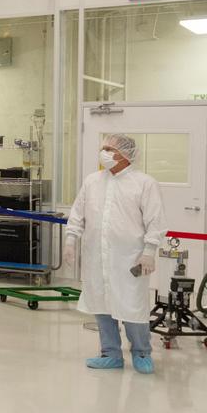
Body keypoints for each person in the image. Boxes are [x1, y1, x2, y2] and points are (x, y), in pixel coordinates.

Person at [64, 134, 165, 374]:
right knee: (102, 304)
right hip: (96, 256)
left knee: (132, 306)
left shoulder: (144, 183)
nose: (104, 153)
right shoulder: (92, 181)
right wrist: (70, 240)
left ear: (125, 154)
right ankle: (110, 354)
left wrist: (149, 251)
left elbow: (155, 220)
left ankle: (141, 352)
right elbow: (78, 213)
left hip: (130, 258)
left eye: (110, 149)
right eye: (103, 148)